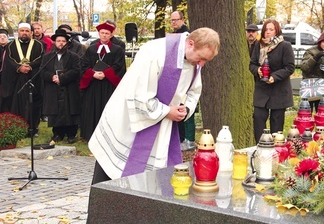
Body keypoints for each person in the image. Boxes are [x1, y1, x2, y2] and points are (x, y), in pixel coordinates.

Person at [88, 27, 220, 184]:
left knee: (149, 180)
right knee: (110, 175)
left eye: (206, 61)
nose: (202, 64)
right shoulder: (155, 52)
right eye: (201, 58)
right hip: (130, 123)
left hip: (162, 127)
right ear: (190, 43)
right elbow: (139, 95)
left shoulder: (194, 62)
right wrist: (167, 111)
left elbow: (194, 92)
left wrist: (185, 109)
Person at [249, 19, 295, 143]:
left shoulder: (284, 45)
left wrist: (274, 77)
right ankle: (260, 146)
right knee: (258, 118)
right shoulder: (258, 45)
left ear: (277, 31)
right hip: (262, 91)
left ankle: (276, 150)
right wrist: (257, 70)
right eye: (266, 29)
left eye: (271, 29)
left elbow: (290, 67)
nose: (268, 32)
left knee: (276, 123)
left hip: (279, 91)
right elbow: (252, 64)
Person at [79, 22, 126, 141]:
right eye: (102, 33)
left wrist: (105, 74)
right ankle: (91, 134)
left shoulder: (117, 49)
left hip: (108, 85)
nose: (104, 35)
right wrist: (93, 74)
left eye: (107, 33)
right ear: (99, 34)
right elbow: (84, 65)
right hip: (93, 85)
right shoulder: (91, 49)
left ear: (111, 35)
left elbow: (119, 66)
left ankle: (109, 135)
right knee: (92, 108)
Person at [1, 23, 44, 135]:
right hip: (16, 80)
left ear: (31, 32)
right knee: (15, 102)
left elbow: (41, 59)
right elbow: (8, 61)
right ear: (18, 32)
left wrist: (30, 66)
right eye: (22, 30)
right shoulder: (10, 46)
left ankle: (32, 128)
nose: (24, 33)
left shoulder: (38, 45)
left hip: (33, 78)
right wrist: (19, 67)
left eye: (27, 31)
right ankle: (17, 127)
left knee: (33, 103)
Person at [40, 29, 81, 144]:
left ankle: (71, 134)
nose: (61, 43)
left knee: (69, 110)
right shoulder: (48, 57)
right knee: (56, 111)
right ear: (54, 42)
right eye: (58, 41)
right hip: (53, 88)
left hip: (69, 88)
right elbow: (42, 72)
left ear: (67, 43)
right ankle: (57, 134)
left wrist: (62, 78)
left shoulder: (74, 57)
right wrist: (53, 77)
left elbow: (76, 71)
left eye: (63, 41)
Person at [170, 11, 196, 150]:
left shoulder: (187, 36)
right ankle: (180, 138)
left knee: (187, 106)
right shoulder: (173, 35)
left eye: (176, 20)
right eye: (172, 20)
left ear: (182, 19)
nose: (173, 23)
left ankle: (189, 139)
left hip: (186, 76)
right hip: (176, 76)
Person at [300, 31, 324, 113]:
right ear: (320, 42)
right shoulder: (310, 52)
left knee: (322, 113)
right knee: (306, 113)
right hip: (309, 86)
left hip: (321, 88)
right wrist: (316, 58)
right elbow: (304, 67)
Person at [0, 29, 9, 111]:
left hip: (8, 76)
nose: (2, 38)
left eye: (4, 36)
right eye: (0, 37)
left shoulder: (11, 48)